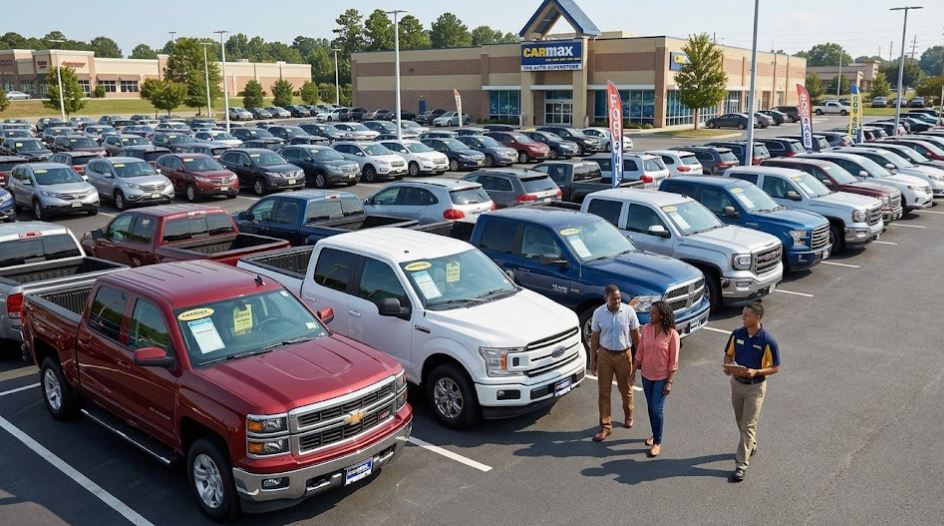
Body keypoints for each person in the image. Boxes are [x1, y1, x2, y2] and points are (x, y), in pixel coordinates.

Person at [723, 301, 780, 482]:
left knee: (748, 425)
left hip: (755, 387)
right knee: (740, 421)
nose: (743, 317)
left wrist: (757, 371)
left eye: (747, 315)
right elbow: (729, 353)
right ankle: (751, 444)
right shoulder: (737, 334)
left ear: (757, 318)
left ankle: (741, 465)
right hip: (737, 384)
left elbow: (775, 367)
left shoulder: (767, 341)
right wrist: (728, 365)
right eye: (743, 314)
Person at [589, 284, 641, 442]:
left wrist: (640, 359)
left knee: (626, 389)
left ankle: (628, 413)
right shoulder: (598, 313)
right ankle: (605, 426)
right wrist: (593, 360)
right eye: (613, 299)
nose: (617, 301)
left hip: (624, 356)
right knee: (604, 393)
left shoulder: (628, 311)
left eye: (619, 298)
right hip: (604, 355)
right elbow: (595, 338)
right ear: (606, 298)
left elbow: (636, 336)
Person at [631, 300, 679, 457]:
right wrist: (632, 373)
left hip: (661, 377)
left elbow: (673, 361)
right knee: (650, 407)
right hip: (646, 375)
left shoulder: (672, 334)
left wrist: (669, 382)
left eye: (653, 313)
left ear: (662, 315)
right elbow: (639, 353)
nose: (649, 315)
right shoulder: (646, 329)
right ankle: (654, 434)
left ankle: (658, 442)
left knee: (657, 409)